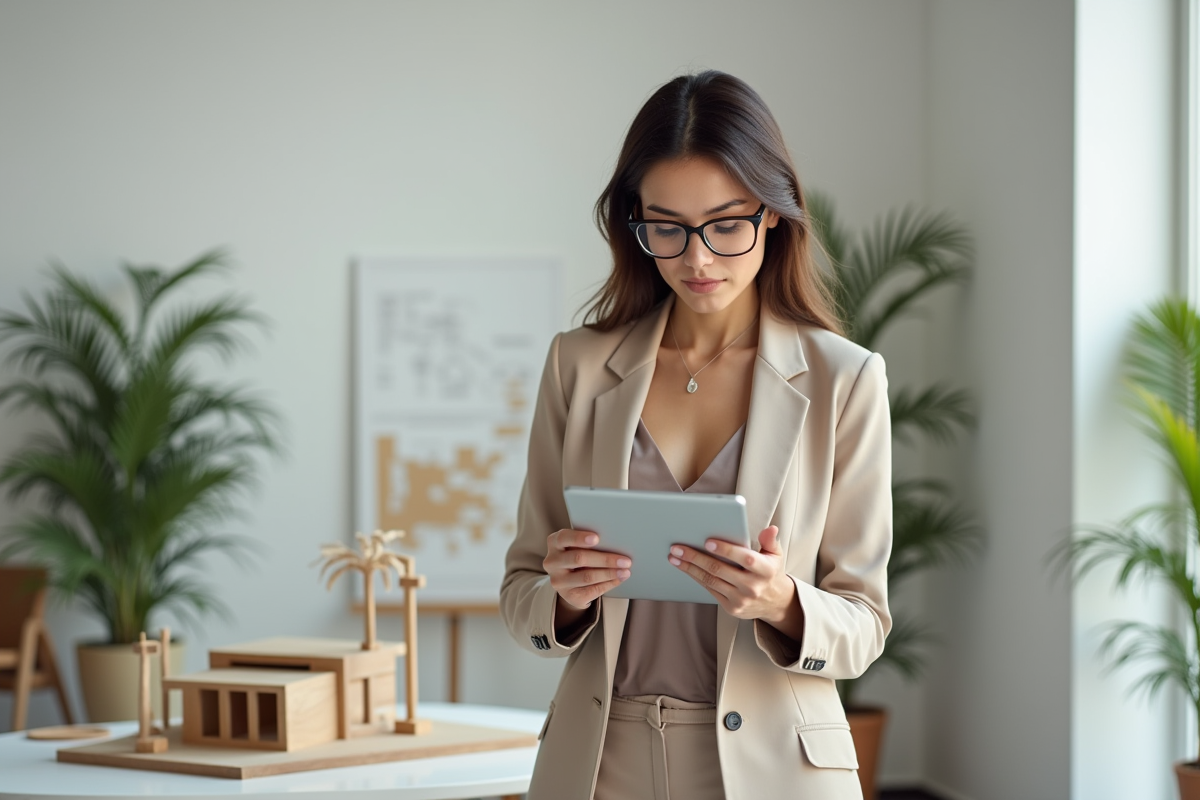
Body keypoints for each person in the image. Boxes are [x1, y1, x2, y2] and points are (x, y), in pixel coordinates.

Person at [500, 70, 892, 800]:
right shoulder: (578, 366)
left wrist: (782, 602)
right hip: (598, 762)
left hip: (777, 767)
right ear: (635, 221)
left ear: (773, 214)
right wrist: (565, 596)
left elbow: (865, 624)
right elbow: (522, 591)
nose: (698, 258)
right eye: (668, 228)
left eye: (726, 223)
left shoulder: (845, 379)